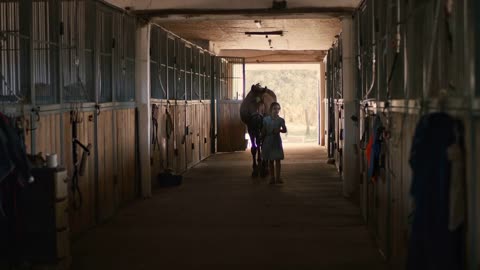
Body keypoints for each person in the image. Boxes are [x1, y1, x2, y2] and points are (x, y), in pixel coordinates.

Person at [261, 102, 287, 184]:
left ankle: (278, 177)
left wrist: (279, 130)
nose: (276, 110)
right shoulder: (265, 120)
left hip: (276, 141)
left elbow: (285, 130)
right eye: (274, 108)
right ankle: (272, 177)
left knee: (278, 160)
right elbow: (263, 131)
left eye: (278, 109)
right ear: (271, 109)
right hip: (268, 141)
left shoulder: (281, 120)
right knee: (270, 160)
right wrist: (261, 138)